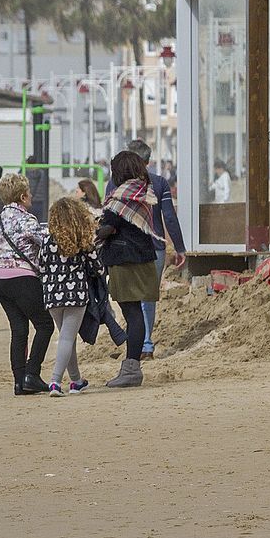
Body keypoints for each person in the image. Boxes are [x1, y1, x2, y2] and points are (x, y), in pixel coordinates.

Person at [99, 150, 168, 388]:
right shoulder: (143, 191)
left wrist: (95, 231)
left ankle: (131, 369)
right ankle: (132, 367)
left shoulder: (122, 196)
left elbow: (108, 227)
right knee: (136, 312)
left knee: (132, 314)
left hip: (125, 261)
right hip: (144, 258)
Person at [0, 173, 52, 395]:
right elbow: (46, 240)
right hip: (23, 278)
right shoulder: (27, 219)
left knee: (18, 330)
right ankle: (32, 374)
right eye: (29, 193)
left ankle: (19, 382)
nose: (32, 196)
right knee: (45, 325)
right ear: (23, 197)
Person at [129, 139, 186, 360]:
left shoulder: (116, 184)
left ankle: (134, 343)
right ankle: (146, 344)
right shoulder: (160, 183)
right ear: (148, 161)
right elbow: (169, 217)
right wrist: (179, 247)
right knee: (148, 298)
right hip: (155, 247)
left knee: (131, 297)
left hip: (129, 248)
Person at [39, 197, 102, 397]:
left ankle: (76, 381)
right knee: (67, 338)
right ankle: (55, 382)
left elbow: (41, 266)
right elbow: (97, 267)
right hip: (76, 294)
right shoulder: (82, 240)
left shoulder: (47, 241)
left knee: (67, 337)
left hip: (52, 294)